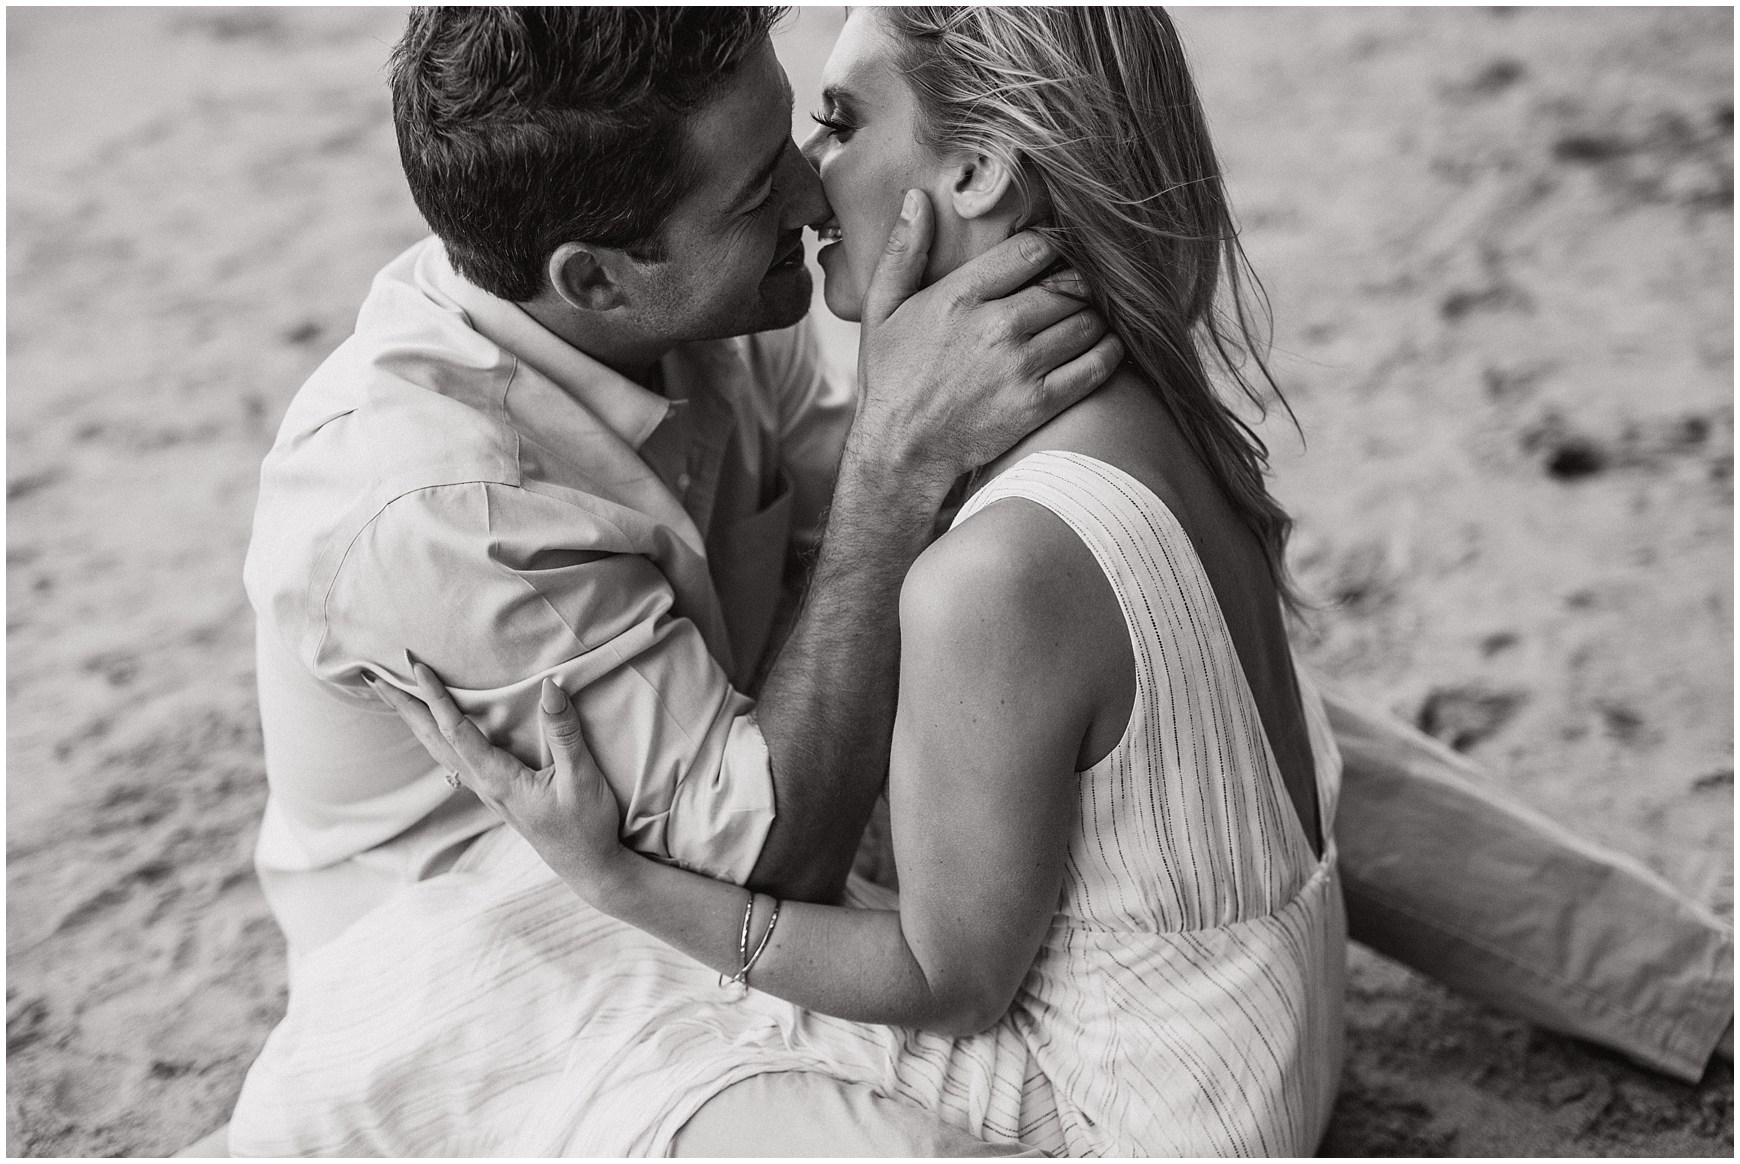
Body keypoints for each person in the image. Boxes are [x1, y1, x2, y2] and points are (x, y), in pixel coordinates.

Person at [216, 5, 1728, 1158]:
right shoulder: (445, 511)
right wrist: (893, 472)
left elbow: (884, 516)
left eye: (813, 127)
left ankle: (1695, 996)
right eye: (759, 188)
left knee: (1151, 694)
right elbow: (769, 855)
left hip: (744, 795)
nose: (808, 193)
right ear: (596, 281)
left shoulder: (709, 300)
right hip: (525, 904)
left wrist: (904, 474)